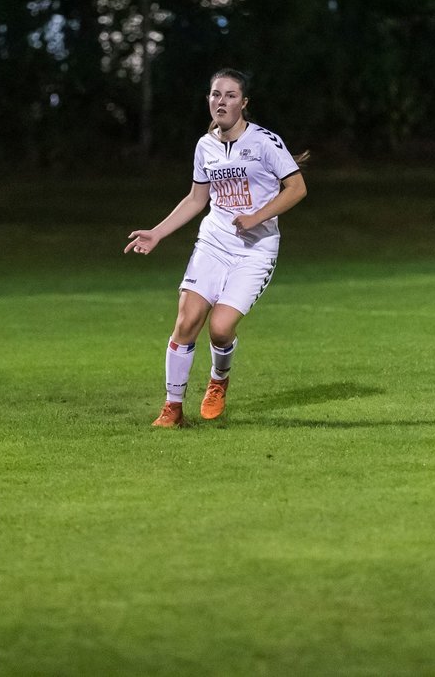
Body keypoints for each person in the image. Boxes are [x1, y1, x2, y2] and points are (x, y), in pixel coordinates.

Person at [125, 68, 308, 427]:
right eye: (215, 94)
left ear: (244, 103)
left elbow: (297, 188)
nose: (220, 101)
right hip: (213, 242)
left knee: (221, 329)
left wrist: (257, 216)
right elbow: (196, 199)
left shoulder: (265, 143)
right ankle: (172, 408)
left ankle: (218, 380)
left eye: (229, 95)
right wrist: (158, 233)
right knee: (187, 320)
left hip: (256, 249)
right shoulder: (205, 145)